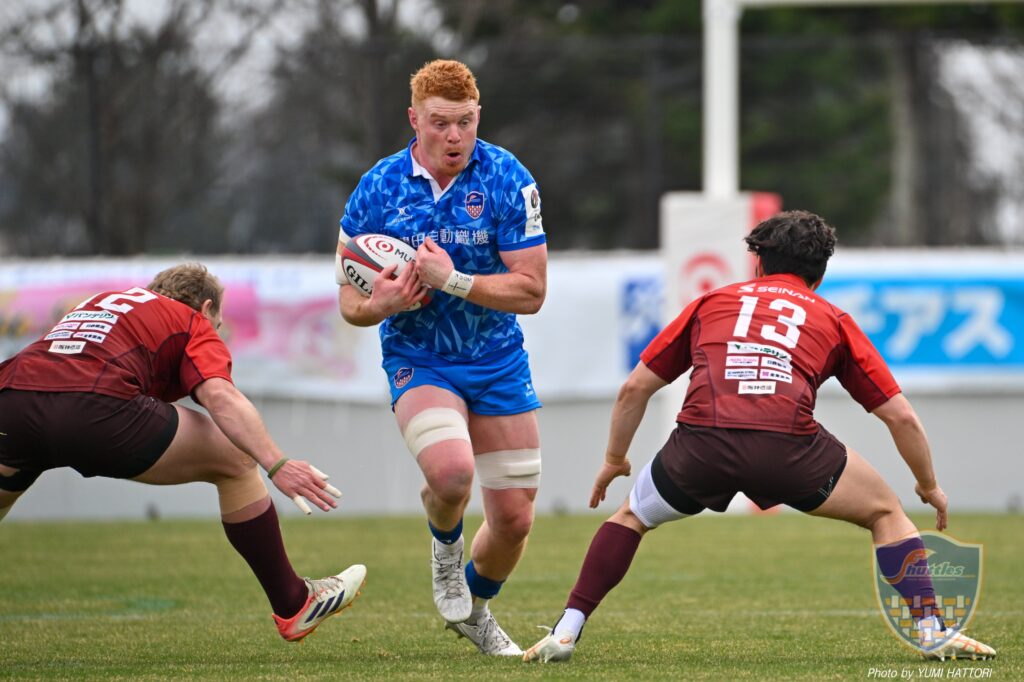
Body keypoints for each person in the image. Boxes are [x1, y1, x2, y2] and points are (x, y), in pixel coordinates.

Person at [523, 210, 996, 663]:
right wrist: (928, 485)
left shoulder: (712, 302)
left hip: (701, 444)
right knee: (886, 513)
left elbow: (635, 389)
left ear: (758, 263)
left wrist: (614, 459)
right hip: (787, 448)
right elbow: (901, 418)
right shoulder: (832, 319)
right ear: (819, 275)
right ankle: (932, 629)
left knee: (632, 516)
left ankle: (566, 629)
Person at [0, 263, 365, 643]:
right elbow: (220, 396)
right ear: (206, 308)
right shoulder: (190, 320)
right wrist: (277, 463)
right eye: (218, 324)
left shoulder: (105, 303)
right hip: (94, 408)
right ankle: (294, 602)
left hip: (12, 402)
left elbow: (60, 371)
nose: (216, 331)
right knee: (238, 459)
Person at [336, 59, 547, 656]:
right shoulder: (378, 186)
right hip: (420, 356)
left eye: (466, 123)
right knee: (452, 473)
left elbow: (532, 291)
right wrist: (379, 305)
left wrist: (452, 280)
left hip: (497, 359)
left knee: (514, 520)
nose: (455, 137)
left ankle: (474, 611)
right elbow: (349, 302)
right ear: (414, 119)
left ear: (478, 117)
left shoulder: (507, 177)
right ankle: (446, 548)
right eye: (440, 123)